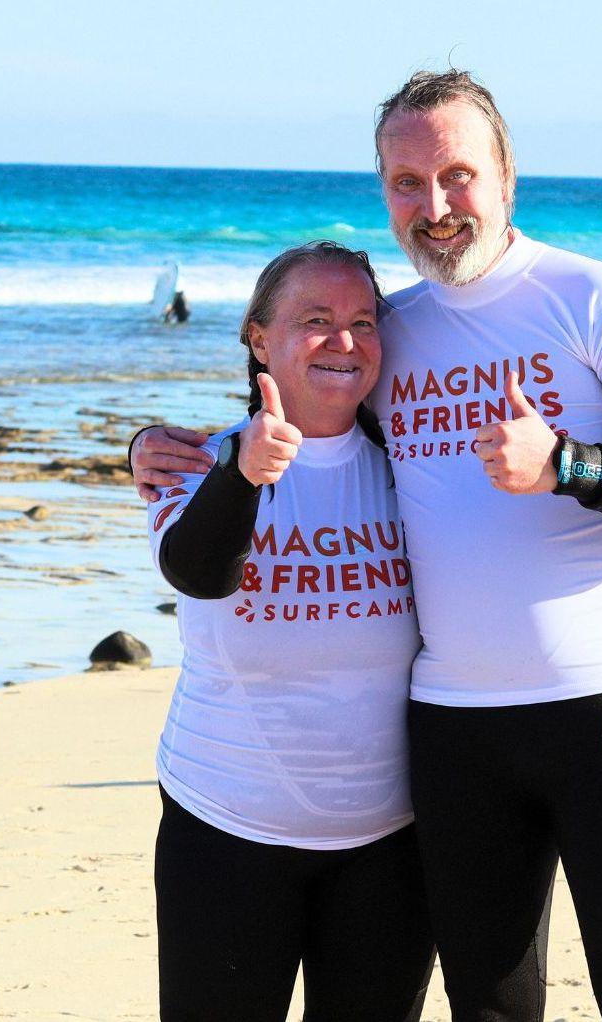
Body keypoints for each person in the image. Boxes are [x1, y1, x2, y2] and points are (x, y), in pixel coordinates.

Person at [135, 71, 602, 1022]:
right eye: (407, 182)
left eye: (457, 175)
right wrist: (161, 448)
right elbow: (296, 407)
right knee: (487, 1010)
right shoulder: (391, 331)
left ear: (505, 176)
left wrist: (577, 471)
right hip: (455, 727)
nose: (436, 205)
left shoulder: (596, 301)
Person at [148, 242, 432, 1022]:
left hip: (390, 844)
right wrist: (245, 471)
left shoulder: (419, 472)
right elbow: (197, 569)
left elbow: (518, 553)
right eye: (315, 320)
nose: (344, 342)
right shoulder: (189, 464)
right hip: (226, 829)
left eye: (363, 322)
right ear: (257, 336)